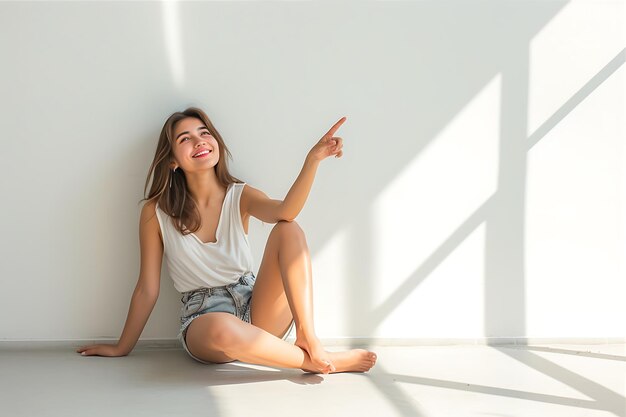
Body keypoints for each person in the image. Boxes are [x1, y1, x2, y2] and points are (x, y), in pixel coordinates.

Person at [76, 107, 377, 374]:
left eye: (204, 133)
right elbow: (147, 289)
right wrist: (121, 347)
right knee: (222, 328)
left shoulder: (240, 195)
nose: (199, 141)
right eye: (185, 139)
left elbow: (286, 210)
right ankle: (313, 362)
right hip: (204, 319)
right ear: (172, 161)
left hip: (255, 306)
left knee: (289, 228)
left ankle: (309, 340)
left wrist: (313, 160)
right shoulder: (155, 213)